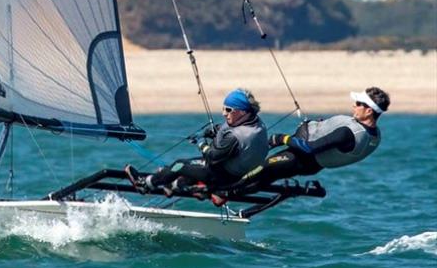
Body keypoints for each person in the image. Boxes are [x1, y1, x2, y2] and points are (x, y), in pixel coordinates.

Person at [238, 87, 390, 188]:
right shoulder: (375, 135)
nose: (353, 106)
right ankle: (227, 194)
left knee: (263, 168)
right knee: (266, 177)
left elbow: (309, 148)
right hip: (311, 166)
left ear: (369, 111)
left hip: (299, 158)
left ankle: (222, 189)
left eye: (358, 104)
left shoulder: (348, 133)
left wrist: (280, 138)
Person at [125, 88, 268, 196]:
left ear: (242, 112)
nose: (224, 113)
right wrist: (217, 131)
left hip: (222, 178)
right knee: (192, 165)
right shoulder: (256, 124)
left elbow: (212, 156)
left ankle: (145, 184)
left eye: (228, 110)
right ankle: (175, 185)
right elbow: (236, 142)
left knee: (179, 165)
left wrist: (200, 143)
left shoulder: (234, 137)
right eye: (223, 108)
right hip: (236, 173)